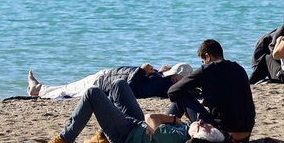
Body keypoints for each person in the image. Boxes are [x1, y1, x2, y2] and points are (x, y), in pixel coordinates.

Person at [35, 80, 191, 143]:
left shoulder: (176, 138)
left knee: (92, 93)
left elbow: (151, 118)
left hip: (126, 136)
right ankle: (103, 137)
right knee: (119, 85)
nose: (203, 123)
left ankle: (65, 140)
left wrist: (172, 120)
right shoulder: (186, 129)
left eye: (204, 126)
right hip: (136, 124)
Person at [166, 39, 256, 140]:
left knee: (182, 96)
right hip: (245, 133)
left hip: (222, 133)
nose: (204, 64)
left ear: (208, 56)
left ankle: (164, 129)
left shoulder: (207, 70)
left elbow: (172, 91)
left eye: (203, 61)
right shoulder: (239, 68)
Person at [27, 62, 191, 101]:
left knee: (67, 91)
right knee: (68, 88)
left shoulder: (161, 84)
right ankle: (39, 88)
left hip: (104, 81)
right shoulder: (162, 82)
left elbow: (131, 89)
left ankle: (37, 89)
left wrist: (142, 70)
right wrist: (159, 72)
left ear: (175, 78)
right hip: (108, 76)